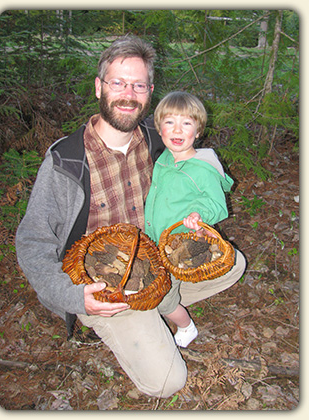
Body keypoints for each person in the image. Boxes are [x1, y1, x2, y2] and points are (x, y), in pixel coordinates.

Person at [16, 35, 245, 399]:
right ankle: (131, 320)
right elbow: (32, 242)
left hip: (156, 263)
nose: (128, 93)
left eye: (138, 85)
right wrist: (75, 298)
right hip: (106, 288)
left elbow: (198, 167)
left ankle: (159, 305)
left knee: (233, 264)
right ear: (99, 87)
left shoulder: (159, 139)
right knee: (168, 382)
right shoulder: (67, 161)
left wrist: (203, 198)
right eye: (118, 83)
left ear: (149, 91)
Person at [144, 91, 242, 348]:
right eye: (169, 122)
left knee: (163, 296)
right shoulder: (163, 160)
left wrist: (199, 214)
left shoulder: (202, 168)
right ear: (159, 128)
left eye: (186, 123)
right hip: (157, 241)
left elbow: (216, 204)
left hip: (180, 246)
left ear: (197, 131)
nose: (177, 130)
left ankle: (186, 326)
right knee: (155, 283)